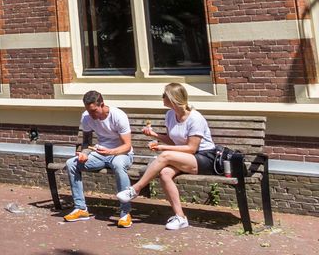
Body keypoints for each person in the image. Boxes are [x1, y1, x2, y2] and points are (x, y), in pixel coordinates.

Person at [117, 82, 217, 230]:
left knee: (165, 156)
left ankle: (135, 189)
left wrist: (163, 148)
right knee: (164, 173)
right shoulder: (170, 115)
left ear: (173, 98)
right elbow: (174, 140)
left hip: (204, 158)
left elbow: (191, 148)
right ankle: (180, 217)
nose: (162, 97)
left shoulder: (195, 118)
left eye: (164, 95)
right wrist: (155, 135)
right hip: (184, 158)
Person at [62, 90, 134, 227]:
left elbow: (127, 146)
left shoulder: (118, 116)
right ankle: (81, 209)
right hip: (100, 153)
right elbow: (87, 143)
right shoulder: (86, 117)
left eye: (94, 111)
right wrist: (84, 153)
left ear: (102, 105)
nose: (92, 115)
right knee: (71, 163)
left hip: (121, 153)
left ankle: (125, 212)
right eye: (89, 111)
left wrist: (111, 151)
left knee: (119, 165)